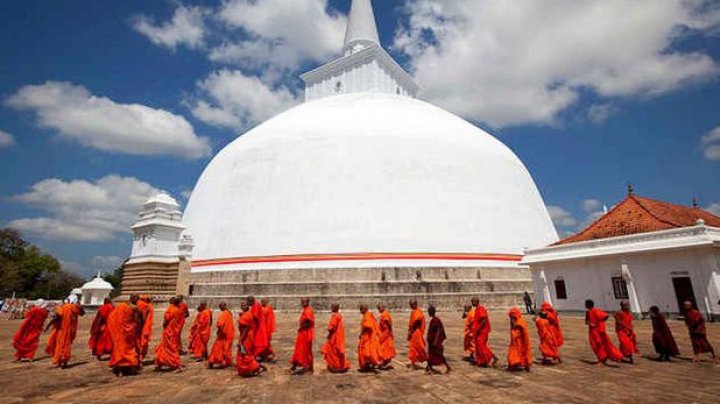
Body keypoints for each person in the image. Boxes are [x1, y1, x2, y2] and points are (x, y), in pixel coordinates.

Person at [107, 294, 143, 376]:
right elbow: (137, 321)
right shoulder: (135, 308)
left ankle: (119, 368)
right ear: (135, 299)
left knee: (120, 348)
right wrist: (138, 329)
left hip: (120, 331)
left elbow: (111, 317)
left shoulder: (121, 306)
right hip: (129, 332)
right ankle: (131, 368)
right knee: (130, 349)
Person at [51, 295, 85, 368]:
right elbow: (82, 313)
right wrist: (79, 305)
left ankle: (60, 360)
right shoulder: (75, 307)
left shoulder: (64, 307)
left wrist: (51, 323)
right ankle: (64, 361)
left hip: (62, 329)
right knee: (67, 345)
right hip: (71, 330)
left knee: (60, 345)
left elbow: (58, 315)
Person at [585, 299, 623, 364]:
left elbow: (606, 316)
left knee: (599, 344)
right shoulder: (588, 312)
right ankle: (603, 357)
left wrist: (598, 322)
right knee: (596, 344)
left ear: (587, 306)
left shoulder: (595, 311)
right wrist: (590, 323)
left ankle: (604, 358)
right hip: (593, 331)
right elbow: (587, 321)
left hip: (598, 330)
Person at [237, 300, 265, 377]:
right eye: (242, 305)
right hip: (248, 335)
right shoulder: (247, 314)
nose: (243, 306)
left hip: (246, 336)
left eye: (245, 305)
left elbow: (245, 329)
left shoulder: (246, 316)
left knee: (245, 353)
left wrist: (241, 341)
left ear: (248, 306)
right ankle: (252, 368)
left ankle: (257, 367)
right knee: (247, 352)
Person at [155, 297, 183, 371]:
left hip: (169, 331)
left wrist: (164, 327)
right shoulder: (179, 310)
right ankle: (161, 362)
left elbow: (166, 320)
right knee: (170, 347)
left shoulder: (170, 309)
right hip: (175, 331)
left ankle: (176, 364)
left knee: (169, 348)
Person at [321, 303, 351, 373]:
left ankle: (336, 366)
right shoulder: (339, 315)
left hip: (334, 336)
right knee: (337, 351)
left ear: (334, 308)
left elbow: (332, 327)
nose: (331, 308)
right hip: (338, 335)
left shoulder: (335, 316)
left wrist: (329, 334)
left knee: (333, 351)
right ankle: (340, 365)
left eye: (332, 307)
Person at [289, 298, 315, 375]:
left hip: (306, 333)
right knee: (300, 349)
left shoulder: (308, 310)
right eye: (302, 302)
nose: (303, 304)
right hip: (303, 333)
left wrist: (302, 327)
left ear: (308, 302)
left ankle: (309, 367)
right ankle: (295, 365)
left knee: (306, 350)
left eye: (305, 302)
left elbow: (309, 321)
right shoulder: (306, 310)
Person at [208, 302, 235, 369]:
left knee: (221, 348)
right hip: (226, 334)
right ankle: (220, 361)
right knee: (222, 348)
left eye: (221, 306)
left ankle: (223, 361)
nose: (220, 308)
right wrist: (222, 331)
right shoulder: (227, 313)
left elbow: (219, 324)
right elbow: (220, 324)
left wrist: (222, 331)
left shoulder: (225, 313)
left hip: (225, 334)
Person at [426, 305, 451, 374]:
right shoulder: (433, 320)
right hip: (431, 340)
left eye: (430, 312)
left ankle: (447, 366)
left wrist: (436, 341)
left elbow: (439, 331)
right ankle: (429, 367)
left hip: (435, 341)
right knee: (430, 354)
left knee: (438, 354)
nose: (429, 313)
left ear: (432, 312)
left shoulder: (436, 320)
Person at [473, 302, 498, 367]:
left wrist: (478, 328)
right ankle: (483, 361)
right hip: (479, 331)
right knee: (480, 346)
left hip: (482, 331)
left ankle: (492, 357)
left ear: (476, 301)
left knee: (481, 345)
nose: (472, 303)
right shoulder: (476, 309)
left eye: (473, 301)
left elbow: (484, 319)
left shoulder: (481, 308)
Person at [358, 304, 382, 372]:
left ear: (364, 309)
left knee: (366, 351)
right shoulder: (368, 315)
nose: (360, 311)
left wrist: (361, 333)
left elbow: (367, 326)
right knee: (368, 351)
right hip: (370, 335)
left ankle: (371, 363)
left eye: (361, 309)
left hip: (368, 336)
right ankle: (370, 363)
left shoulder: (367, 316)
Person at [247, 296, 270, 362]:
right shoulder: (256, 305)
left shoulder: (256, 305)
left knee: (259, 341)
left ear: (251, 301)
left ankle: (259, 355)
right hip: (259, 325)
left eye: (248, 302)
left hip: (258, 326)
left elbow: (255, 317)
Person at [407, 299, 428, 369]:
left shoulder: (418, 312)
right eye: (410, 305)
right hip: (414, 333)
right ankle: (413, 363)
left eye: (412, 305)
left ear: (415, 304)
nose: (411, 306)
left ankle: (426, 360)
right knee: (413, 348)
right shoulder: (414, 312)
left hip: (417, 333)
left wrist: (410, 332)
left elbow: (416, 322)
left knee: (420, 347)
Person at [377, 304, 396, 370]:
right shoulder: (383, 314)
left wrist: (391, 332)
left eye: (379, 308)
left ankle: (385, 361)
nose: (379, 310)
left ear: (383, 307)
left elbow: (389, 324)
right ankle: (384, 361)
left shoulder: (385, 314)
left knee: (385, 347)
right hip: (383, 333)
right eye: (378, 308)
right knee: (383, 347)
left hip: (386, 333)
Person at [137, 295, 154, 361]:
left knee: (142, 341)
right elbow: (143, 317)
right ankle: (140, 356)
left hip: (144, 325)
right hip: (144, 326)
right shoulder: (144, 305)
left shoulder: (144, 304)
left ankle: (140, 356)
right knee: (142, 341)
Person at [261, 298, 277, 362]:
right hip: (261, 329)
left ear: (267, 302)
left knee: (267, 344)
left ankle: (273, 355)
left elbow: (270, 320)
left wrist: (269, 329)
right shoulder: (260, 308)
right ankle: (264, 356)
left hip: (266, 329)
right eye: (262, 301)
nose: (262, 302)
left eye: (264, 301)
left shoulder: (269, 309)